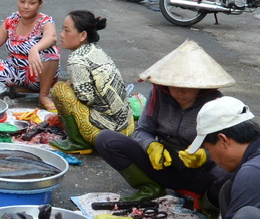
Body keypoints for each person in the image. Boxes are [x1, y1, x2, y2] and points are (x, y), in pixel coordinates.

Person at [93, 40, 234, 206]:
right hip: (161, 167)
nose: (179, 92)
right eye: (174, 86)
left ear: (201, 86)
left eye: (187, 87)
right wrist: (151, 146)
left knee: (236, 173)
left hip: (199, 173)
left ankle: (208, 203)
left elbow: (227, 147)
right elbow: (143, 130)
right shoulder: (158, 94)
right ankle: (150, 187)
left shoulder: (216, 102)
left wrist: (205, 156)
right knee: (106, 139)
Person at [49, 11, 132, 153]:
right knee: (70, 85)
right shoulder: (95, 50)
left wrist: (72, 87)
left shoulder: (76, 59)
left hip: (105, 135)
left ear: (82, 35)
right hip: (127, 128)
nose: (61, 35)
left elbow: (86, 98)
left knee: (59, 89)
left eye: (66, 30)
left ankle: (79, 142)